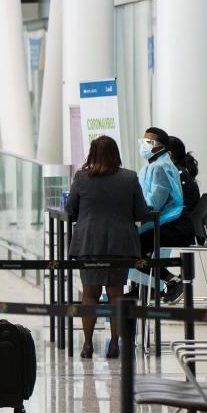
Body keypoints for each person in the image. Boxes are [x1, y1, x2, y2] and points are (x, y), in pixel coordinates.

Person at [65, 136, 148, 359]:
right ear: (116, 154)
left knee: (90, 294)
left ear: (93, 154)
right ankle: (114, 344)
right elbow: (141, 212)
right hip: (120, 244)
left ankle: (88, 344)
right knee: (116, 295)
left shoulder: (82, 178)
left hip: (89, 243)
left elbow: (70, 208)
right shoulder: (130, 178)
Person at [137, 127, 194, 303]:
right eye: (143, 141)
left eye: (148, 142)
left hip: (175, 226)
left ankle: (172, 281)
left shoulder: (160, 167)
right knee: (132, 245)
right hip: (167, 223)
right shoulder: (153, 165)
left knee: (131, 247)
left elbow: (154, 204)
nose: (144, 145)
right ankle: (168, 282)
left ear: (160, 146)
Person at [167, 136, 201, 214]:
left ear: (169, 154)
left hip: (180, 223)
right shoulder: (183, 171)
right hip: (187, 221)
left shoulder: (176, 173)